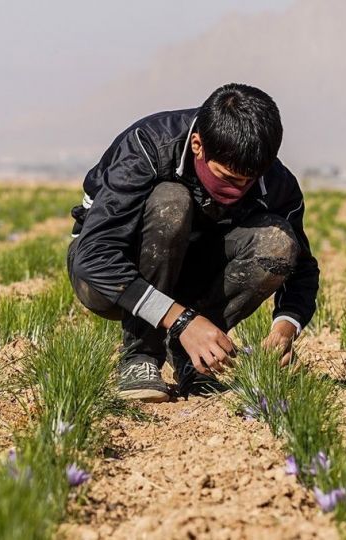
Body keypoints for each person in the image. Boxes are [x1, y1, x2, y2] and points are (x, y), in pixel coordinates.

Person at [68, 83, 319, 402]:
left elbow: (303, 269)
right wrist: (182, 321)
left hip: (192, 272)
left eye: (248, 181)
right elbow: (93, 257)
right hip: (108, 281)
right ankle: (140, 357)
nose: (238, 190)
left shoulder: (276, 181)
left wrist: (286, 327)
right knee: (171, 200)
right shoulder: (148, 145)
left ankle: (194, 360)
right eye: (227, 178)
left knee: (279, 241)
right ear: (198, 145)